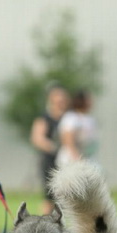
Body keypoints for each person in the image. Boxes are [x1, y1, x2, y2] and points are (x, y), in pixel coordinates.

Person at [30, 85, 70, 214]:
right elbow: (37, 138)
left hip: (68, 162)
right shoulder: (45, 118)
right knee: (50, 197)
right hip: (50, 161)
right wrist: (56, 148)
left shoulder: (70, 118)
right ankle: (45, 225)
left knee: (68, 197)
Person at [55, 89, 99, 169]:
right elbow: (68, 141)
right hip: (71, 158)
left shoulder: (89, 119)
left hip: (86, 156)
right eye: (88, 99)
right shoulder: (71, 118)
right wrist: (77, 158)